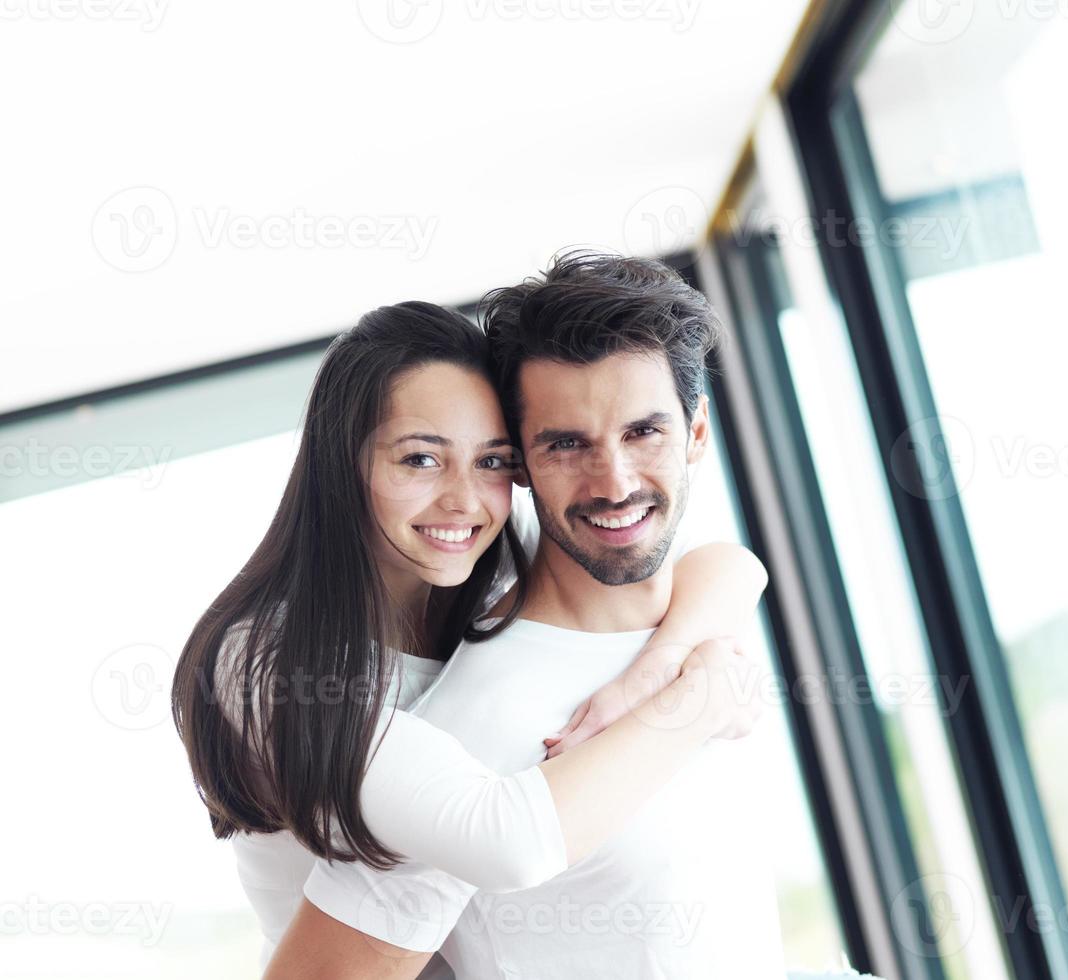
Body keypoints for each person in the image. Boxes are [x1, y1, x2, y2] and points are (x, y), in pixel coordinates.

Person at [169, 298, 769, 971]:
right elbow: (504, 840)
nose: (464, 500)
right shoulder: (265, 664)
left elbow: (722, 564)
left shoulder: (487, 566)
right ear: (345, 459)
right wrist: (697, 704)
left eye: (492, 462)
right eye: (421, 460)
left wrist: (657, 666)